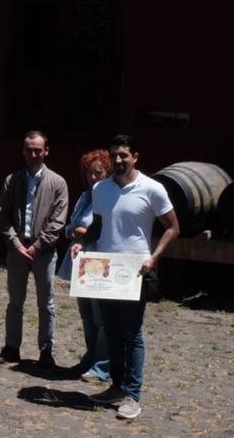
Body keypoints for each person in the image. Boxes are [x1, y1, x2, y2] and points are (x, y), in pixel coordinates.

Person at [72, 134, 180, 420]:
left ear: (135, 157)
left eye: (124, 155)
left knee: (132, 333)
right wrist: (81, 244)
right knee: (112, 330)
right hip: (105, 270)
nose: (119, 160)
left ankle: (133, 395)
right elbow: (97, 225)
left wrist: (154, 257)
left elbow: (172, 227)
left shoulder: (152, 188)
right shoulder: (100, 189)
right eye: (115, 155)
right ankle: (117, 387)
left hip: (136, 271)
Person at [0, 131, 69, 368]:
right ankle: (12, 347)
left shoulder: (57, 183)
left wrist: (38, 246)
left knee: (45, 302)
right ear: (23, 151)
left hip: (44, 252)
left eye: (38, 150)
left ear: (46, 151)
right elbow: (3, 215)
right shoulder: (12, 180)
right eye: (29, 149)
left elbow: (58, 221)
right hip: (17, 250)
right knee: (14, 301)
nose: (33, 154)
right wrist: (16, 244)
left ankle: (46, 350)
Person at [60, 149, 112, 383]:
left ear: (107, 173)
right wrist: (74, 231)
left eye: (98, 173)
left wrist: (80, 232)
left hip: (99, 260)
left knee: (101, 315)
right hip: (80, 259)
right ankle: (90, 356)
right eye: (89, 173)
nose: (93, 178)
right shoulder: (84, 197)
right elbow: (70, 226)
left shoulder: (110, 197)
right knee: (86, 314)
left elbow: (104, 230)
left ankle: (103, 364)